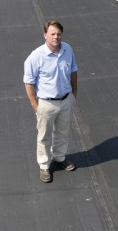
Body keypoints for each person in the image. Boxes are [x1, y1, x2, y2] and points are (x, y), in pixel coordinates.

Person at [23, 20, 78, 183]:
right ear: (45, 35)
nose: (56, 37)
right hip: (46, 103)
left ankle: (59, 158)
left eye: (59, 34)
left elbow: (74, 70)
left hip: (66, 100)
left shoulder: (68, 49)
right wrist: (35, 104)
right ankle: (44, 165)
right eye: (52, 34)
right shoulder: (36, 57)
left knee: (63, 132)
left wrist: (74, 94)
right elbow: (29, 82)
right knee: (44, 135)